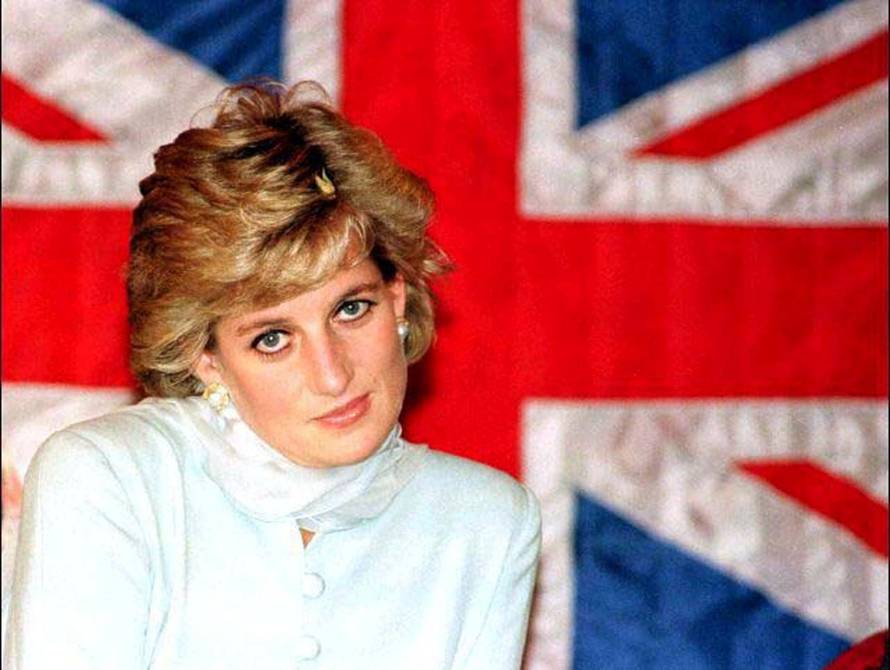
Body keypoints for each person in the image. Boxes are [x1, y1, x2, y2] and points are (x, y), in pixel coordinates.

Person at [1, 81, 541, 669]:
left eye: (350, 308)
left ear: (398, 298)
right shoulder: (112, 476)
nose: (333, 376)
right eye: (272, 339)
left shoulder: (488, 520)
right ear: (204, 357)